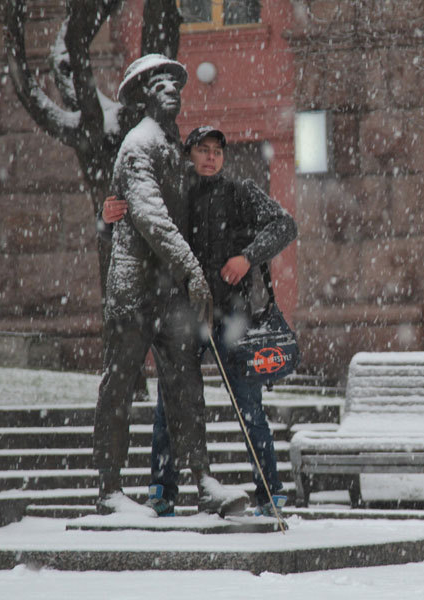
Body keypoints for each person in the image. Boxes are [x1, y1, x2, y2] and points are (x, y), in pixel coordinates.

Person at [104, 126, 298, 518]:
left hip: (232, 316)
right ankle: (162, 491)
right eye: (202, 150)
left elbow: (284, 226)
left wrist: (247, 256)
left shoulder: (240, 192)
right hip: (180, 314)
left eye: (217, 151)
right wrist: (106, 217)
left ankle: (270, 492)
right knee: (170, 404)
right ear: (188, 154)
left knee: (249, 406)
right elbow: (135, 227)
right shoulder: (172, 194)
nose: (211, 157)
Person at [94, 54, 215, 516]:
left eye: (174, 83)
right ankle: (109, 488)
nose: (171, 89)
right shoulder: (137, 145)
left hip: (169, 289)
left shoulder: (173, 145)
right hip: (134, 288)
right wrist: (193, 269)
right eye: (160, 83)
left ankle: (202, 479)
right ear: (145, 95)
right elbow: (148, 215)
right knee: (120, 385)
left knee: (186, 384)